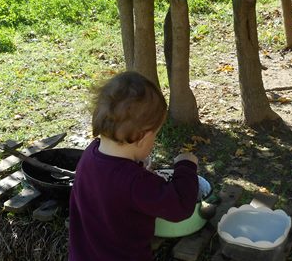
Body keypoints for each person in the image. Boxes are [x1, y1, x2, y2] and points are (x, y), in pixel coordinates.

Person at [69, 71, 199, 261]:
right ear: (143, 137)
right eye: (155, 135)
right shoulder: (136, 182)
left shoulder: (90, 154)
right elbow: (180, 206)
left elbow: (112, 186)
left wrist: (137, 164)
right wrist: (186, 165)